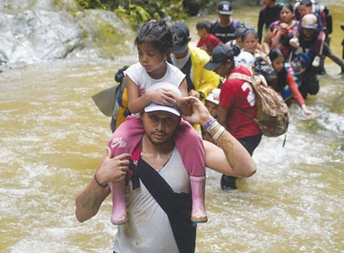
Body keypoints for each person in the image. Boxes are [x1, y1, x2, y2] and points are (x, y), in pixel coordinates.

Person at [75, 89, 257, 252]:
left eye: (168, 119)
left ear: (179, 120)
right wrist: (99, 179)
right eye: (153, 117)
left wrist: (208, 121)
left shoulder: (194, 151)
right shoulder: (121, 154)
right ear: (141, 116)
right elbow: (82, 214)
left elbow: (247, 168)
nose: (160, 127)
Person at [108, 20, 207, 225]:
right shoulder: (134, 73)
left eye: (150, 54)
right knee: (118, 140)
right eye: (140, 53)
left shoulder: (177, 75)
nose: (144, 59)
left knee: (194, 140)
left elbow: (187, 111)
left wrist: (179, 100)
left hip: (172, 120)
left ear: (166, 52)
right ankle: (118, 201)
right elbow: (134, 106)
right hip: (139, 120)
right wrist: (150, 96)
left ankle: (198, 200)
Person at [204, 44, 262, 191]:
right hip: (255, 133)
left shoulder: (229, 84)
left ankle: (241, 206)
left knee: (227, 179)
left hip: (243, 135)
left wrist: (218, 140)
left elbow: (222, 119)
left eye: (218, 67)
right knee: (242, 169)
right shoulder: (243, 70)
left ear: (228, 63)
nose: (216, 71)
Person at [293, 14, 344, 99]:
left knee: (309, 91)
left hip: (310, 72)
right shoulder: (294, 39)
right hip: (295, 70)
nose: (308, 32)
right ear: (302, 28)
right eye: (306, 29)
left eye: (311, 30)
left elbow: (334, 57)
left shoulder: (320, 43)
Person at [168, 21, 221, 101]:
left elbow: (213, 80)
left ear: (189, 40)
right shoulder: (161, 56)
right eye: (173, 49)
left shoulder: (202, 58)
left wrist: (200, 92)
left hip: (192, 101)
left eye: (180, 50)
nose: (176, 53)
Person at [268, 48, 314, 118]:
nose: (281, 65)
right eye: (277, 63)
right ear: (271, 62)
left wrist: (304, 109)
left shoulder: (286, 73)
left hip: (280, 93)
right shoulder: (264, 72)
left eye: (282, 62)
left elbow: (295, 90)